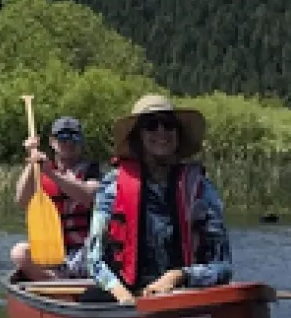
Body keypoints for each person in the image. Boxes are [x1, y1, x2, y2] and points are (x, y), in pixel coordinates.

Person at [78, 95, 233, 305]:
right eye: (151, 125)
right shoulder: (112, 186)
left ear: (178, 135)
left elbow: (223, 265)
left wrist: (179, 276)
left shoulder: (200, 189)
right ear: (138, 136)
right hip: (127, 294)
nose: (161, 132)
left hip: (184, 296)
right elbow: (94, 259)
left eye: (168, 125)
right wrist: (125, 297)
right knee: (90, 299)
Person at [10, 116, 103, 281]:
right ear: (53, 142)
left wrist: (52, 174)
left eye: (74, 137)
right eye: (63, 137)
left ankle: (58, 283)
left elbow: (89, 196)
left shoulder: (91, 170)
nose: (68, 143)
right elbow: (22, 201)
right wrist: (32, 164)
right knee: (19, 253)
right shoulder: (39, 171)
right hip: (50, 251)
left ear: (81, 142)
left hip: (84, 251)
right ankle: (56, 282)